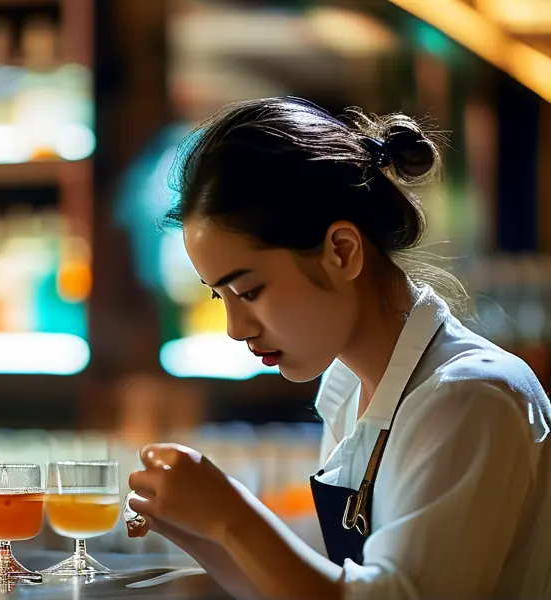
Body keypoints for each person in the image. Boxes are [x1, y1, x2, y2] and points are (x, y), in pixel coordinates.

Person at [125, 96, 551, 599]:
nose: (235, 329)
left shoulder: (467, 397)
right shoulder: (348, 385)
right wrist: (198, 530)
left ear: (342, 252)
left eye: (250, 291)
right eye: (218, 295)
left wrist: (231, 518)